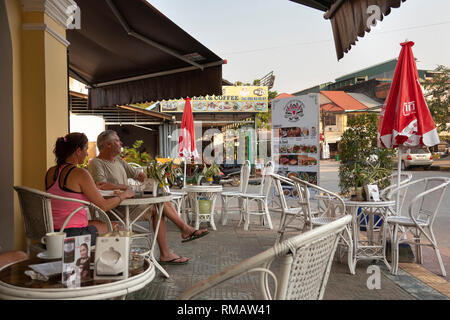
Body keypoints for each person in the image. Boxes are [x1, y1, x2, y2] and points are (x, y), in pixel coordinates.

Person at [88, 130, 209, 265]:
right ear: (108, 145)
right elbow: (101, 185)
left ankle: (175, 241)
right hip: (115, 211)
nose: (121, 143)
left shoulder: (119, 161)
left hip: (128, 206)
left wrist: (153, 181)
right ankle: (176, 240)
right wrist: (125, 188)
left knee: (162, 205)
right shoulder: (96, 163)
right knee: (158, 207)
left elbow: (138, 175)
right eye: (117, 140)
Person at [45, 132, 135, 246]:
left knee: (98, 223)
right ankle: (107, 262)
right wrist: (124, 195)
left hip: (52, 233)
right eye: (86, 149)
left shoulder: (50, 172)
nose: (87, 153)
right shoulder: (80, 173)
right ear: (78, 151)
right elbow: (104, 206)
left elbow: (66, 193)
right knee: (117, 226)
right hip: (72, 235)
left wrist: (92, 187)